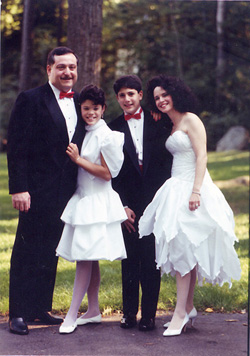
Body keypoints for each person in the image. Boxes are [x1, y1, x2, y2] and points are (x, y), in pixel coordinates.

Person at [138, 75, 242, 337]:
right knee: (183, 249)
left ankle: (180, 313)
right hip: (175, 187)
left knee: (184, 249)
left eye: (165, 95)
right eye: (157, 97)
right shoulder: (171, 124)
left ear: (176, 93)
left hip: (192, 189)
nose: (161, 100)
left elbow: (202, 155)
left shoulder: (191, 119)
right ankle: (189, 307)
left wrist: (196, 191)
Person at [7, 47, 86, 335]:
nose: (68, 72)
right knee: (27, 248)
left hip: (67, 191)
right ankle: (17, 313)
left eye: (72, 67)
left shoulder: (81, 102)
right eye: (62, 67)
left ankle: (40, 308)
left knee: (50, 249)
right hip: (35, 190)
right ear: (49, 69)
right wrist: (20, 188)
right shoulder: (30, 99)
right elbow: (17, 148)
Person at [56, 84, 127, 334]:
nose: (91, 113)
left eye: (95, 108)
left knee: (84, 258)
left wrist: (78, 160)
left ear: (103, 108)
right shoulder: (83, 131)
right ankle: (93, 309)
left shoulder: (107, 136)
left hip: (97, 201)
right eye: (86, 108)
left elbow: (108, 174)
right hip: (83, 198)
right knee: (89, 256)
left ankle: (71, 315)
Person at [109, 75, 173, 331]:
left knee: (150, 260)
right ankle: (128, 313)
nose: (127, 99)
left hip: (154, 202)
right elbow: (111, 172)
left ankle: (149, 315)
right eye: (122, 95)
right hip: (128, 206)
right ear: (117, 98)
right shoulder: (112, 128)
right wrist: (121, 207)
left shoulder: (160, 122)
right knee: (129, 259)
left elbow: (166, 166)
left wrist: (161, 204)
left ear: (140, 96)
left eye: (131, 94)